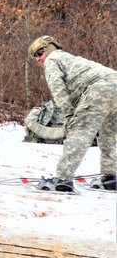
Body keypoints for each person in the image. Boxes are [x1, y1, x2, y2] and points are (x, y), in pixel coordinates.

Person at [29, 35, 116, 192]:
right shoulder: (70, 59)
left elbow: (58, 88)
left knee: (79, 131)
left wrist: (69, 115)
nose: (38, 59)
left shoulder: (52, 60)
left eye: (39, 53)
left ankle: (63, 179)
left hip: (100, 89)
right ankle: (110, 178)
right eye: (35, 56)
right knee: (109, 135)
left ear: (49, 49)